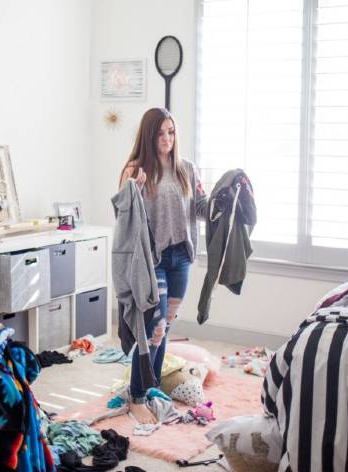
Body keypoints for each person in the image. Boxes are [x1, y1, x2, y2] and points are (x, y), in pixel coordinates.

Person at [118, 107, 208, 424]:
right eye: (160, 133)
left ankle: (152, 385)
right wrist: (136, 189)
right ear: (149, 135)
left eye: (171, 132)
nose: (167, 139)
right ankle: (137, 395)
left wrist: (219, 199)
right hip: (151, 259)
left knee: (165, 327)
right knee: (152, 329)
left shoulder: (187, 169)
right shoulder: (136, 169)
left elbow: (199, 210)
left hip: (180, 256)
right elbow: (123, 218)